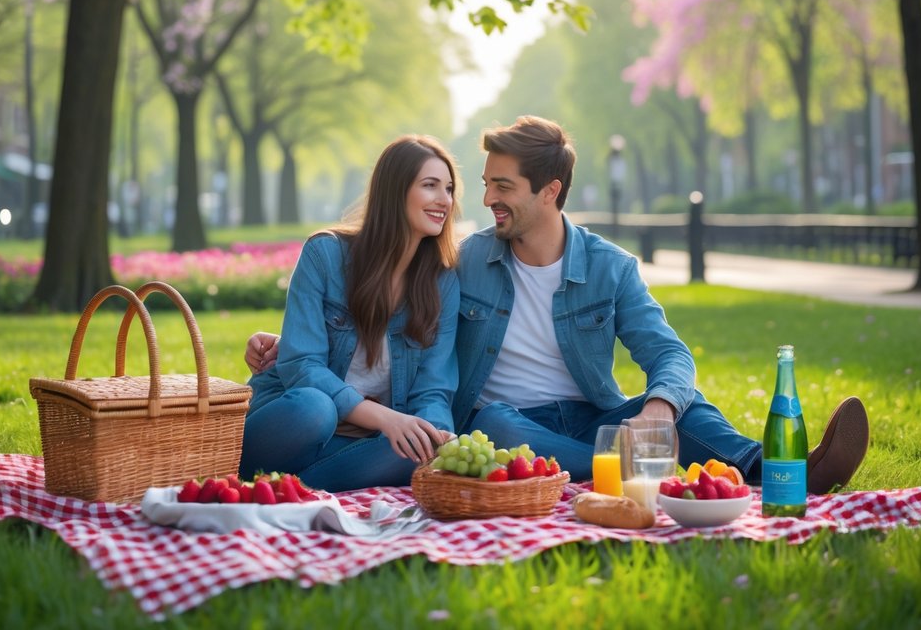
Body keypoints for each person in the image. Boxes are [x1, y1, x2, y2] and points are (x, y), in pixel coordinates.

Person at [247, 117, 869, 493]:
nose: (481, 198)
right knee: (493, 429)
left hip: (589, 416)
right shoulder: (461, 262)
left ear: (549, 192)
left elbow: (669, 353)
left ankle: (782, 471)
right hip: (510, 419)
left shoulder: (609, 267)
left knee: (685, 407)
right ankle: (645, 476)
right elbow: (341, 353)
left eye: (500, 186)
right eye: (480, 184)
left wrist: (655, 409)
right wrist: (289, 355)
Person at [238, 135, 461, 492]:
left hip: (357, 443)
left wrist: (433, 434)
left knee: (412, 450)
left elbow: (433, 389)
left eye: (449, 189)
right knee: (316, 409)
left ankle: (286, 490)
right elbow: (302, 366)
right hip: (292, 422)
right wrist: (386, 418)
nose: (444, 200)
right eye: (430, 185)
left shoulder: (442, 282)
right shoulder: (324, 255)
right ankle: (277, 480)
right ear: (395, 191)